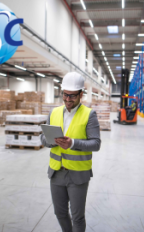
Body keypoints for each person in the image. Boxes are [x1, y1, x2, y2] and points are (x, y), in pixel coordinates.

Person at [41, 72, 101, 232]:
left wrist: (72, 143)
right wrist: (50, 140)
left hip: (78, 175)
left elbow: (96, 144)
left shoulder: (89, 115)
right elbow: (43, 139)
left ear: (81, 94)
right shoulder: (53, 113)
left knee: (77, 217)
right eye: (65, 95)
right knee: (59, 213)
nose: (68, 99)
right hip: (56, 172)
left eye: (72, 96)